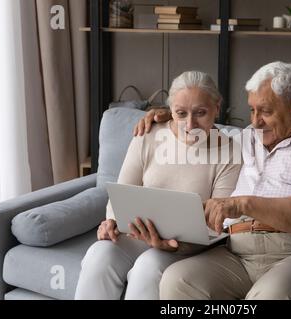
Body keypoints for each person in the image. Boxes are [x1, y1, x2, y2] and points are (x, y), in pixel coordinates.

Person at [135, 61, 291, 300]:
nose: (255, 121)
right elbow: (199, 133)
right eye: (252, 110)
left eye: (265, 111)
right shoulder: (244, 140)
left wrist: (241, 204)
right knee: (178, 281)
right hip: (237, 252)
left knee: (273, 294)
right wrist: (170, 116)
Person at [74, 71, 241, 300]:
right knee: (99, 255)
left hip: (188, 246)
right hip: (138, 232)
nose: (190, 124)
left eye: (200, 113)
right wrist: (111, 221)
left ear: (217, 107)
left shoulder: (230, 151)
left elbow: (216, 223)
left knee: (148, 268)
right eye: (181, 113)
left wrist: (171, 245)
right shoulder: (149, 133)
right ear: (170, 109)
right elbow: (122, 191)